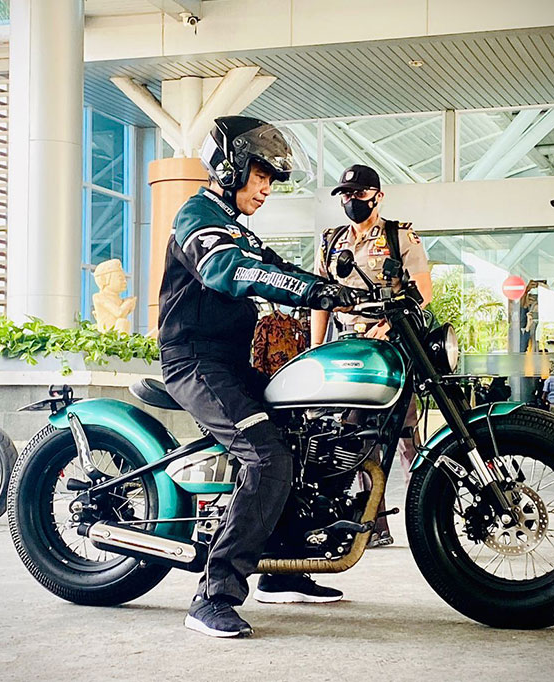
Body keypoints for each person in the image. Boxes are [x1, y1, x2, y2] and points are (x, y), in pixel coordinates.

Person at [158, 116, 362, 638]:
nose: (267, 186)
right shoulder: (199, 219)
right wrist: (311, 293)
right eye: (261, 174)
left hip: (232, 361)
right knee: (267, 456)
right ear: (230, 167)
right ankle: (213, 595)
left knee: (300, 439)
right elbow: (230, 270)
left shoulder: (237, 227)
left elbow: (277, 267)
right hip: (195, 362)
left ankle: (279, 566)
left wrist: (338, 289)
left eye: (272, 178)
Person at [310, 164, 432, 547]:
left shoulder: (399, 236)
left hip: (393, 343)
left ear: (378, 196)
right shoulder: (331, 241)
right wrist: (316, 348)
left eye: (359, 194)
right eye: (345, 195)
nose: (351, 201)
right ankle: (372, 526)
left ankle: (422, 519)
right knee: (356, 436)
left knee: (406, 433)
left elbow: (423, 291)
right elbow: (320, 300)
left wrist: (389, 326)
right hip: (349, 347)